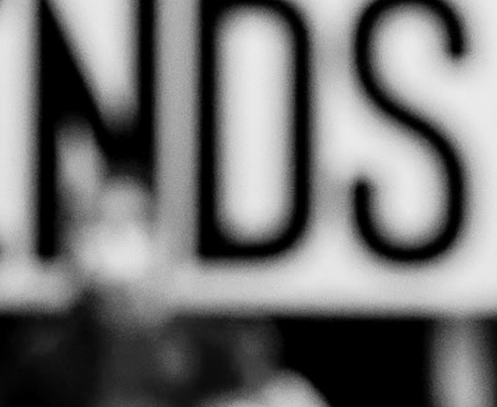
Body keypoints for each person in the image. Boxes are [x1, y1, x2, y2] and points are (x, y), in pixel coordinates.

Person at [0, 162, 329, 407]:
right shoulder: (45, 360)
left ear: (163, 240)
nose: (117, 243)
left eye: (134, 222)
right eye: (99, 224)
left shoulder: (221, 345)